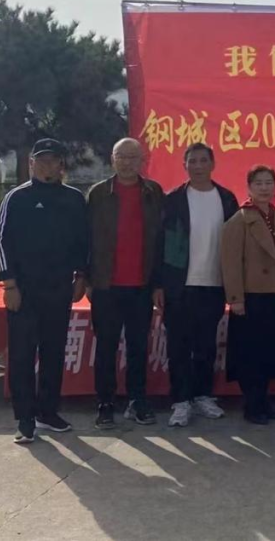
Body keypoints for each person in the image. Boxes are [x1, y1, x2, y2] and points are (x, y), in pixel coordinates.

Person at [0, 138, 89, 443]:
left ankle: (48, 412)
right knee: (22, 354)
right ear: (32, 163)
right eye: (42, 160)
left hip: (59, 289)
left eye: (53, 160)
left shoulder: (74, 198)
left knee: (53, 352)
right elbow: (1, 242)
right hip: (23, 290)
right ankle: (25, 419)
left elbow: (83, 242)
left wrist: (81, 276)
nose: (48, 166)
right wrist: (9, 284)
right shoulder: (17, 197)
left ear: (61, 164)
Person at [155, 143, 239, 428]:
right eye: (192, 161)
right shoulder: (173, 200)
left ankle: (203, 395)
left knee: (205, 345)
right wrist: (158, 284)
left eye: (204, 161)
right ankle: (180, 401)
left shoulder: (226, 199)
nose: (198, 166)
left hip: (213, 285)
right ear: (185, 165)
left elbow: (236, 244)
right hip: (179, 285)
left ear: (213, 164)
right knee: (178, 346)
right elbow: (159, 244)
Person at [86, 137, 164, 429]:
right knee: (106, 347)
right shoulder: (98, 194)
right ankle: (105, 403)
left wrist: (158, 283)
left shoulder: (154, 192)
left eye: (133, 157)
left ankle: (137, 400)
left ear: (143, 160)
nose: (128, 162)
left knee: (138, 347)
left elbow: (161, 241)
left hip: (142, 285)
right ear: (112, 159)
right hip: (106, 285)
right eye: (122, 156)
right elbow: (86, 239)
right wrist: (86, 278)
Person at [220, 165, 275, 425]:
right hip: (249, 296)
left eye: (268, 183)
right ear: (249, 188)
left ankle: (263, 398)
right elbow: (230, 262)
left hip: (273, 294)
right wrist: (235, 298)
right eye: (258, 183)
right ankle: (252, 403)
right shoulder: (239, 220)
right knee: (249, 353)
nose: (264, 188)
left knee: (269, 350)